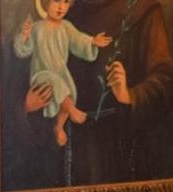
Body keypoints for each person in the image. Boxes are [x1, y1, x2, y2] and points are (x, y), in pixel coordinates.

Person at [0, 0, 173, 191]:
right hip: (55, 150)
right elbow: (10, 84)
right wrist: (25, 104)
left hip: (112, 146)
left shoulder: (142, 10)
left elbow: (166, 79)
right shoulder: (60, 11)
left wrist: (130, 95)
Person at [14, 0, 112, 146]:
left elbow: (78, 40)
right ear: (45, 3)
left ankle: (59, 126)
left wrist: (92, 41)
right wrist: (24, 36)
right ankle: (71, 110)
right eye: (56, 1)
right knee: (59, 86)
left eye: (66, 2)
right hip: (42, 76)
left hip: (60, 73)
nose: (61, 7)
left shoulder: (66, 27)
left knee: (69, 91)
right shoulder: (37, 28)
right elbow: (22, 50)